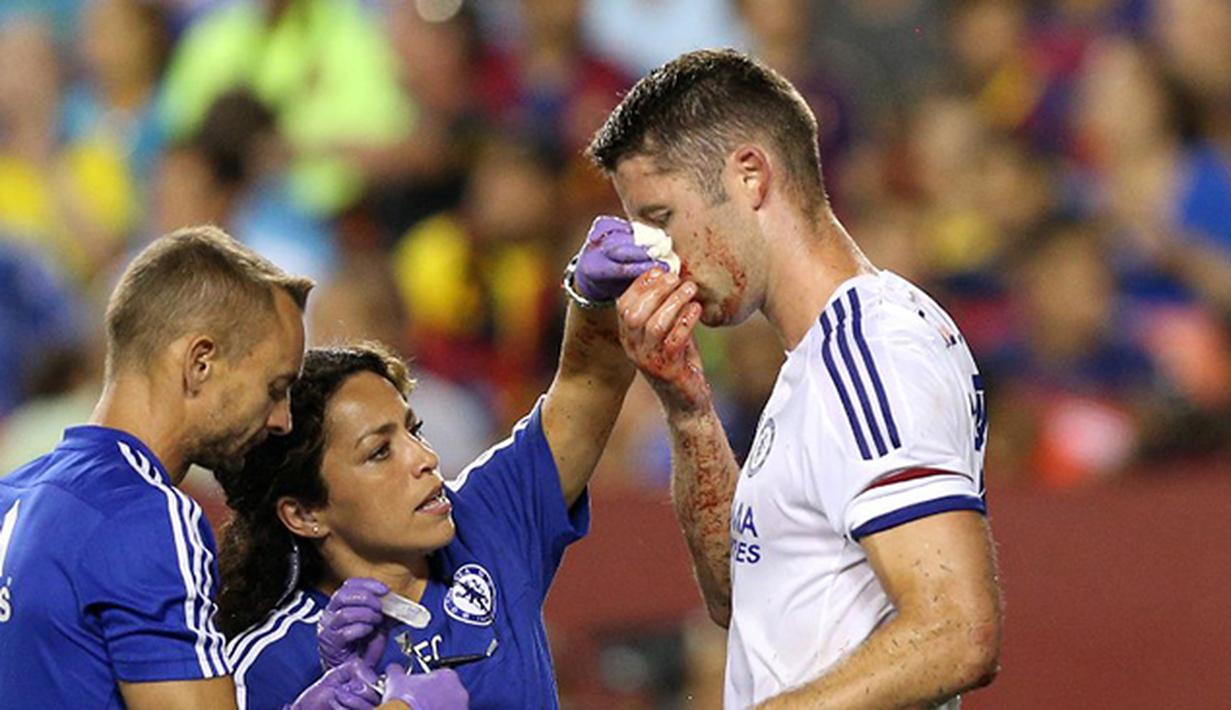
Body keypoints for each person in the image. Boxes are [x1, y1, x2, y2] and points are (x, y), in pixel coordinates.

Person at [586, 49, 1003, 709]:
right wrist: (687, 406)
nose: (655, 260)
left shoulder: (871, 350)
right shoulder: (814, 364)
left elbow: (956, 632)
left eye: (661, 219)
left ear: (749, 176)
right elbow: (736, 596)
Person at [213, 218, 662, 708]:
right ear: (304, 513)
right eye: (379, 452)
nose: (425, 459)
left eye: (414, 430)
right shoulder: (271, 665)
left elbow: (586, 385)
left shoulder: (488, 523)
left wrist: (591, 298)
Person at [0, 226, 312, 707]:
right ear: (200, 362)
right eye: (275, 387)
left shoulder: (12, 496)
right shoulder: (147, 516)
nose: (283, 420)